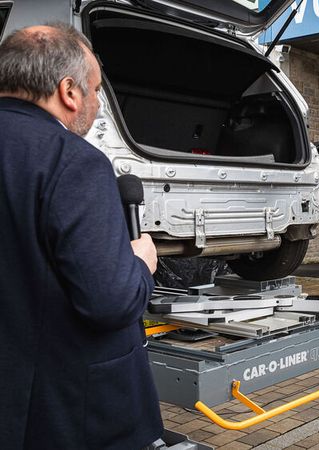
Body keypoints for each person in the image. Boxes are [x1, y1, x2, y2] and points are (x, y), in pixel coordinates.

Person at [0, 24, 163, 449]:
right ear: (69, 91)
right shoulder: (73, 163)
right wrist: (140, 265)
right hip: (61, 414)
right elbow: (109, 302)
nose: (94, 103)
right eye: (94, 91)